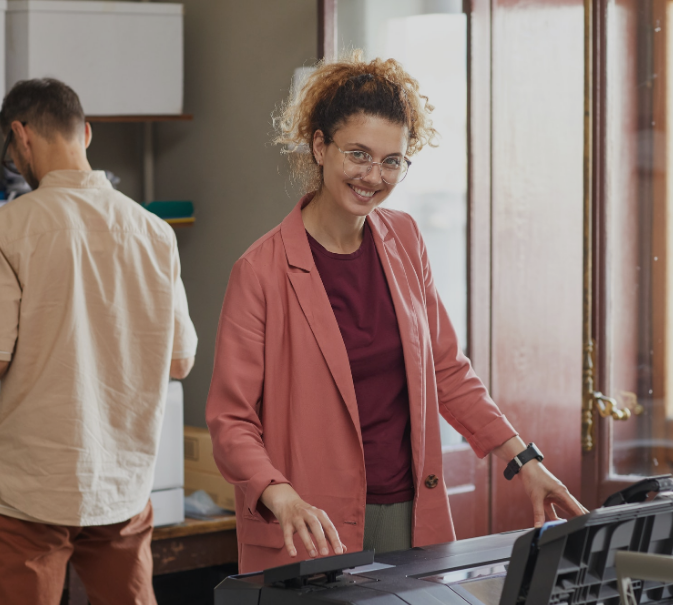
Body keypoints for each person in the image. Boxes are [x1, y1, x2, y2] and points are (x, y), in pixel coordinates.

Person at [206, 53, 587, 574]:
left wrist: (523, 459)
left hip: (409, 514)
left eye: (392, 161)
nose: (373, 176)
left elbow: (447, 371)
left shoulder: (405, 238)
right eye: (358, 154)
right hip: (309, 522)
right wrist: (279, 494)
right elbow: (230, 422)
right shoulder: (260, 271)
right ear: (319, 146)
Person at [0, 79, 198, 605]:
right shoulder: (155, 232)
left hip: (30, 492)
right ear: (85, 134)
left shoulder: (8, 229)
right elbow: (180, 361)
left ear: (20, 136)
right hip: (121, 485)